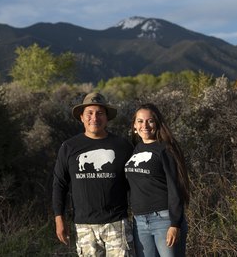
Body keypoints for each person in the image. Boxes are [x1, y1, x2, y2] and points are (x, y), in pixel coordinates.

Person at [52, 92, 134, 256]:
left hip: (117, 222)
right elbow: (59, 184)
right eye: (89, 113)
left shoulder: (122, 146)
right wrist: (59, 218)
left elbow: (136, 182)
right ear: (81, 117)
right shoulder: (69, 147)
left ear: (107, 118)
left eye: (100, 113)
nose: (94, 118)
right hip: (84, 225)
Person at [124, 103, 190, 257]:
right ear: (134, 125)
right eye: (140, 121)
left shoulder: (166, 149)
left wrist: (175, 224)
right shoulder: (136, 148)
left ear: (157, 123)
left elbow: (176, 187)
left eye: (150, 121)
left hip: (164, 220)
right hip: (139, 222)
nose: (145, 125)